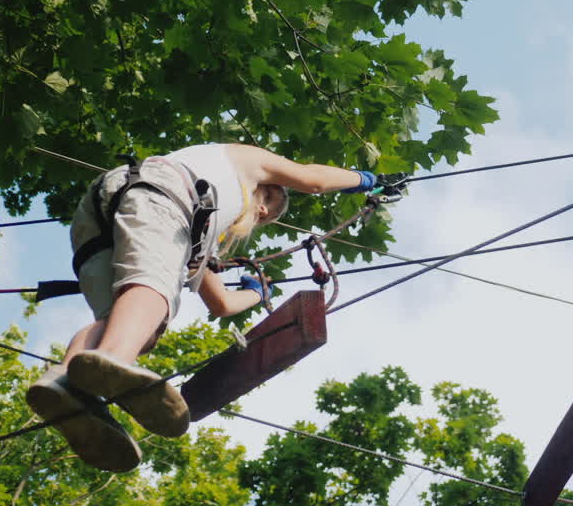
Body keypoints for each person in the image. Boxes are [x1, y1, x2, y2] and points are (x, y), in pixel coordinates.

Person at [25, 143, 395, 472]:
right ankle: (113, 359)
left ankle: (64, 384)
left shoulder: (198, 234)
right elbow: (311, 179)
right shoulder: (247, 162)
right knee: (156, 288)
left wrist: (257, 292)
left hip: (99, 213)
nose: (262, 215)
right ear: (264, 192)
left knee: (128, 320)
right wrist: (364, 180)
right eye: (268, 206)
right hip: (158, 194)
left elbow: (219, 303)